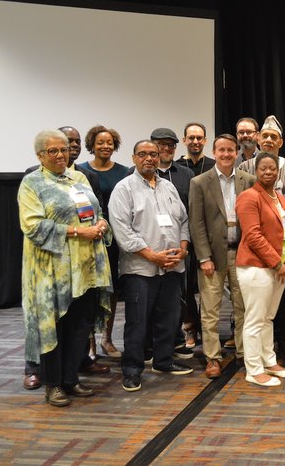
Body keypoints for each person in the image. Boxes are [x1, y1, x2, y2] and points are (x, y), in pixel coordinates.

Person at [19, 129, 112, 406]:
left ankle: (71, 379)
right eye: (53, 151)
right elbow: (33, 225)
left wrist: (102, 223)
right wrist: (76, 232)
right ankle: (53, 385)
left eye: (64, 150)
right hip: (51, 272)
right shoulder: (31, 183)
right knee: (54, 328)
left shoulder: (79, 178)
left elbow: (95, 212)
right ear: (40, 155)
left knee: (79, 326)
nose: (61, 155)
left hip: (85, 270)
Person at [109, 140, 194, 393]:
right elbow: (122, 232)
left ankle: (164, 361)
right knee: (137, 322)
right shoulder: (123, 189)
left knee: (169, 319)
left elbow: (183, 220)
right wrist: (153, 256)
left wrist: (183, 249)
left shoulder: (168, 186)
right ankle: (132, 371)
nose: (149, 159)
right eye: (143, 154)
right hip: (141, 270)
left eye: (154, 155)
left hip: (172, 267)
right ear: (134, 158)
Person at [188, 134, 255, 379]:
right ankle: (213, 357)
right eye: (221, 150)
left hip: (243, 255)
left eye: (230, 150)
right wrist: (204, 257)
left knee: (243, 307)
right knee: (210, 309)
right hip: (213, 257)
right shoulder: (200, 182)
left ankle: (243, 353)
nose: (226, 154)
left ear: (236, 153)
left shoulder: (249, 180)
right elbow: (196, 224)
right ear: (214, 152)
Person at [235, 151, 285, 387]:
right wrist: (277, 264)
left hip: (279, 267)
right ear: (256, 171)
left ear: (278, 171)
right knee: (254, 319)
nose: (268, 172)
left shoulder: (280, 197)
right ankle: (253, 369)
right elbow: (253, 236)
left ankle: (269, 361)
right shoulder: (248, 196)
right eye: (263, 168)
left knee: (268, 318)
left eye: (272, 168)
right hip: (257, 267)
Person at [77, 125, 130, 359]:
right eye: (100, 142)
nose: (105, 146)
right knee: (90, 289)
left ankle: (107, 339)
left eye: (109, 142)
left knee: (111, 290)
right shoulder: (81, 172)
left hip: (115, 239)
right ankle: (89, 342)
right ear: (92, 145)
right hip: (90, 238)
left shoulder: (125, 172)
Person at [149, 127, 198, 355]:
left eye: (171, 145)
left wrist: (184, 246)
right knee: (152, 297)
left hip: (180, 247)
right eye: (162, 144)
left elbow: (190, 213)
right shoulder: (135, 173)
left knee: (180, 294)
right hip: (149, 250)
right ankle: (151, 343)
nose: (167, 149)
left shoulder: (186, 174)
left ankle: (176, 338)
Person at [237, 115, 285, 195]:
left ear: (280, 143)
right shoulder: (243, 168)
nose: (269, 140)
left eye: (273, 137)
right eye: (265, 136)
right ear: (258, 140)